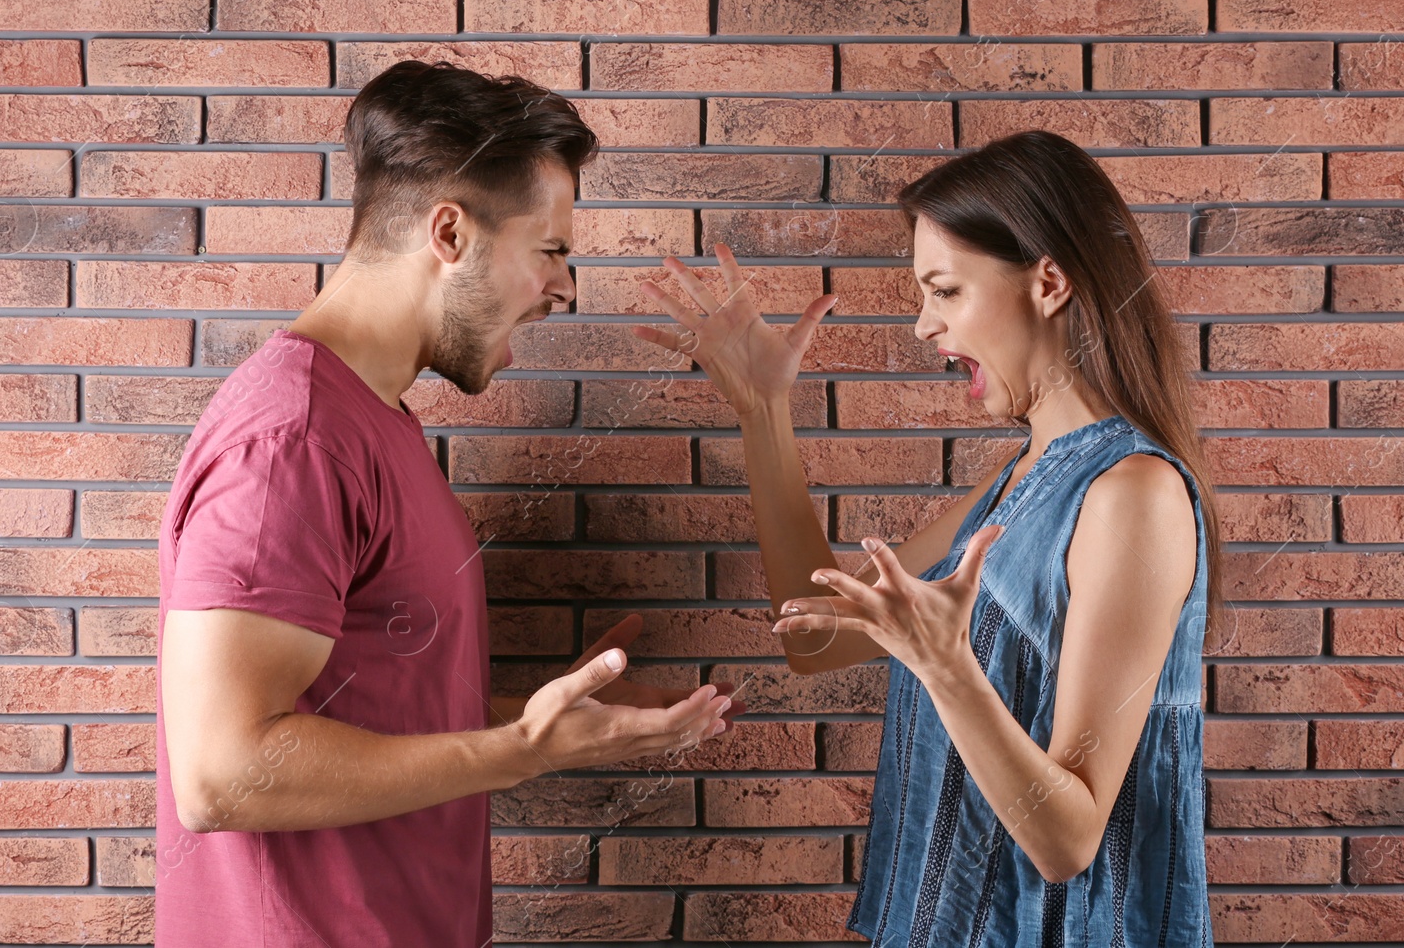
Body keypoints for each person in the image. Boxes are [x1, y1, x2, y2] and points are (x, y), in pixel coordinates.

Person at [155, 60, 741, 947]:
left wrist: (542, 719)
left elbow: (370, 717)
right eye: (551, 250)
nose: (566, 288)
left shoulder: (375, 424)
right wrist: (520, 751)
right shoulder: (294, 442)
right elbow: (223, 774)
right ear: (451, 234)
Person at [635, 129, 1220, 946]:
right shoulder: (1018, 481)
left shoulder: (1135, 495)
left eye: (944, 290)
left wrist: (945, 665)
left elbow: (1068, 838)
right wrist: (763, 408)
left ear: (1048, 281)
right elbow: (815, 634)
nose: (922, 326)